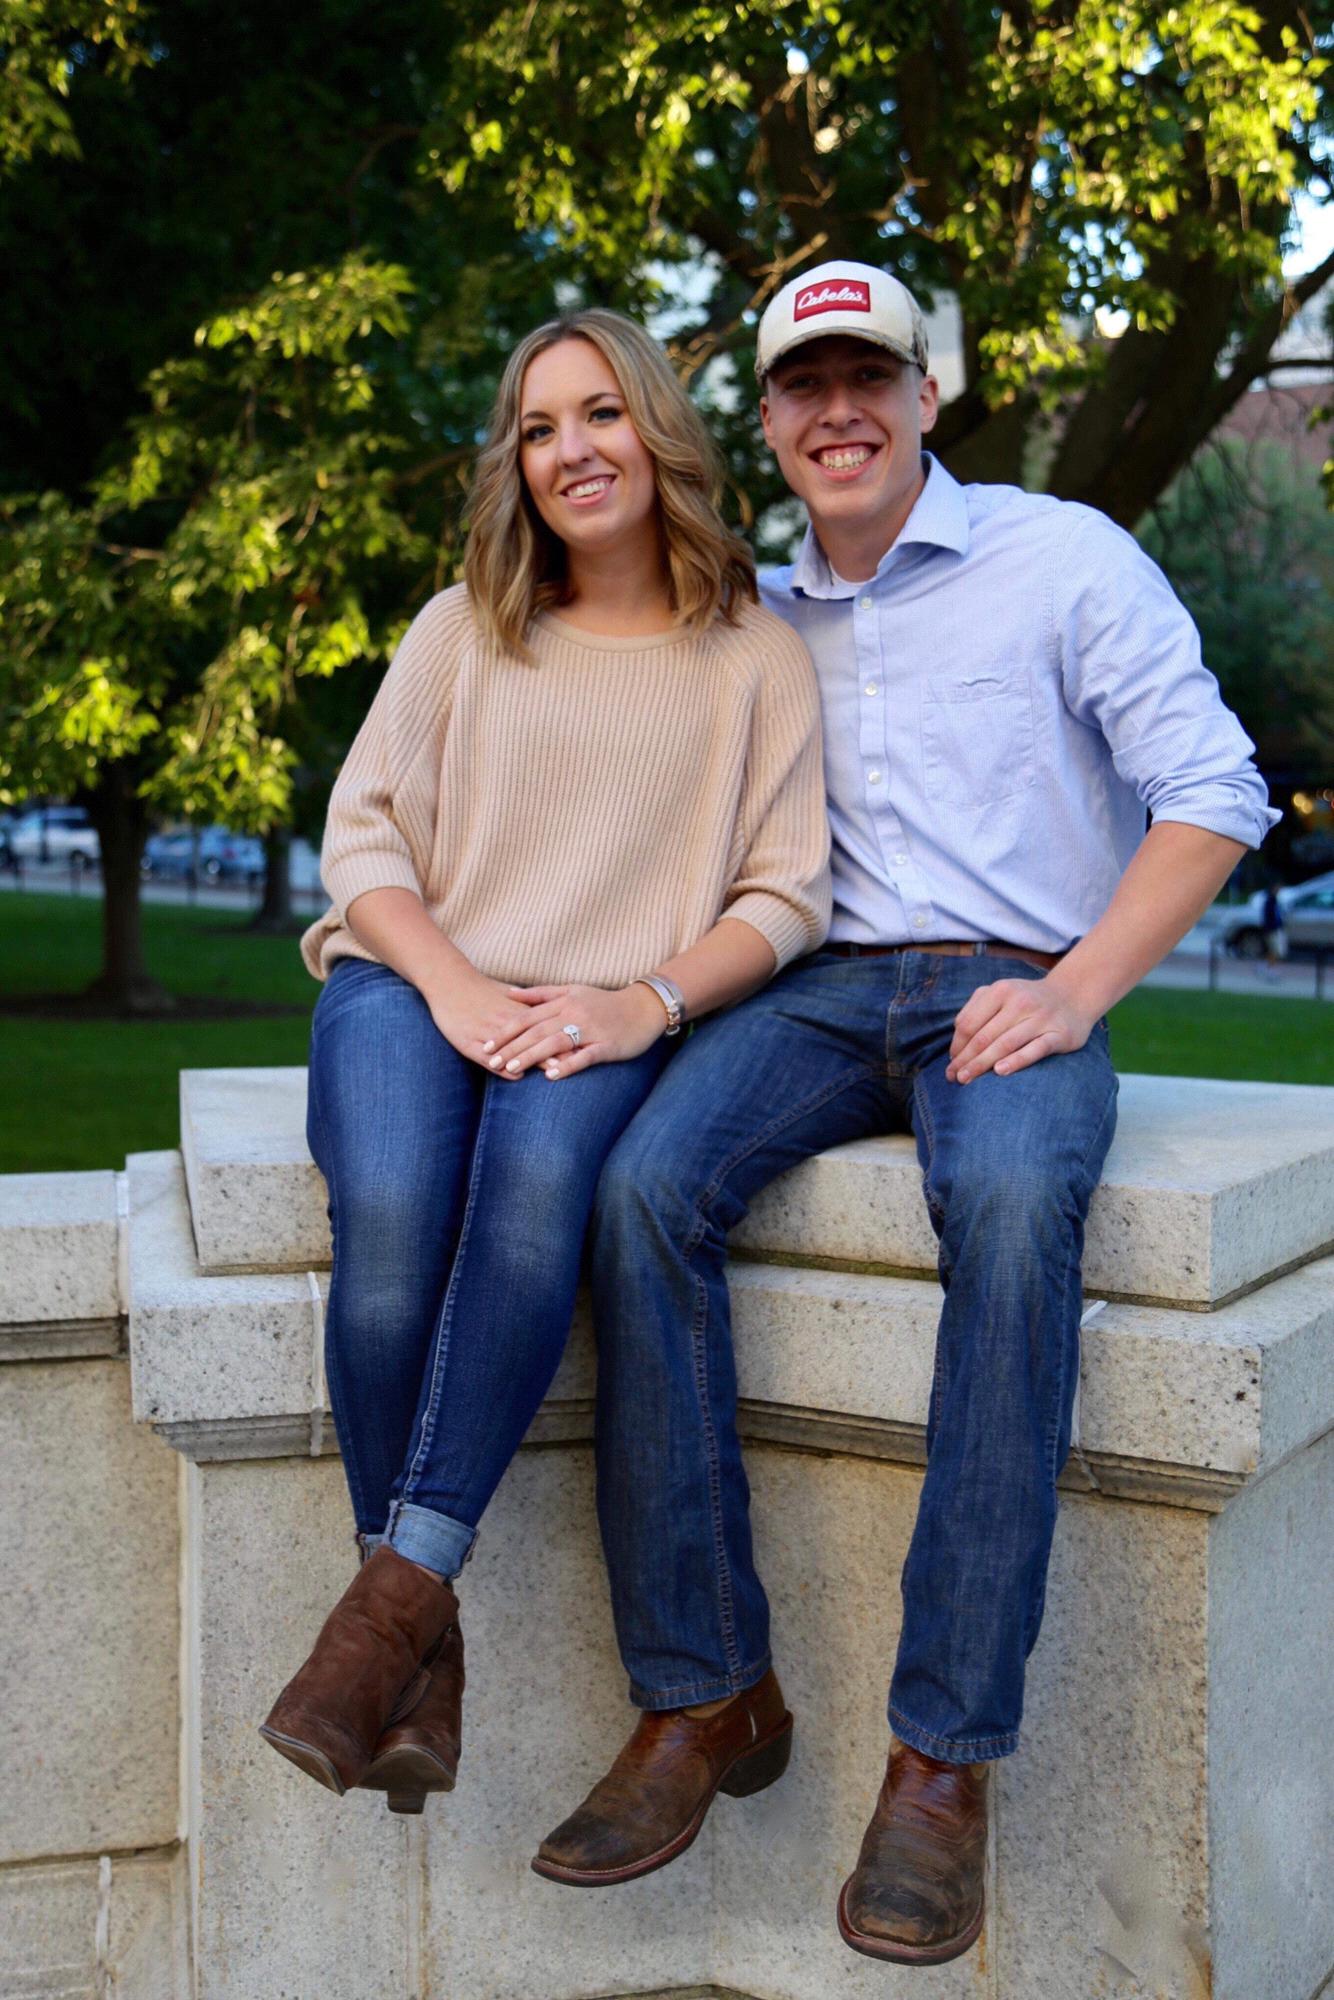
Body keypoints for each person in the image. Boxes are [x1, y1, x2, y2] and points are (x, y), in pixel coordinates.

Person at [533, 263, 1278, 1963]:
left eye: (871, 376)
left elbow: (1212, 791)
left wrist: (1078, 989)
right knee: (638, 1190)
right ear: (771, 423)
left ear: (928, 396)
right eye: (805, 385)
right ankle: (704, 1692)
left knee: (1013, 1214)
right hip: (809, 993)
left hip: (1013, 981)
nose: (838, 410)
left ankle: (941, 1758)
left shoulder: (1061, 557)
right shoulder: (747, 608)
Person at [259, 308, 831, 1817]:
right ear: (514, 462)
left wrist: (644, 1003)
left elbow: (784, 892)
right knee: (387, 1220)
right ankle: (420, 1652)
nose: (568, 449)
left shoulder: (755, 658)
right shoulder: (465, 624)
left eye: (596, 414)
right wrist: (448, 988)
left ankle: (388, 1616)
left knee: (530, 1206)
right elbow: (365, 836)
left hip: (599, 1014)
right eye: (535, 426)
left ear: (657, 430)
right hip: (408, 983)